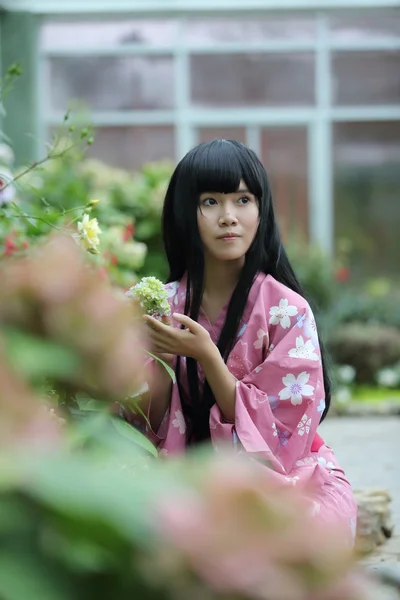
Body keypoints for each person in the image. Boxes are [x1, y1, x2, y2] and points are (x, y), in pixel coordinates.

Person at [126, 139, 357, 544]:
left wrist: (206, 357)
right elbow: (143, 425)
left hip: (282, 478)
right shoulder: (160, 304)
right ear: (185, 212)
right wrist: (160, 362)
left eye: (243, 199)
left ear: (261, 211)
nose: (228, 217)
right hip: (183, 472)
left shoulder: (288, 309)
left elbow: (280, 437)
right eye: (210, 202)